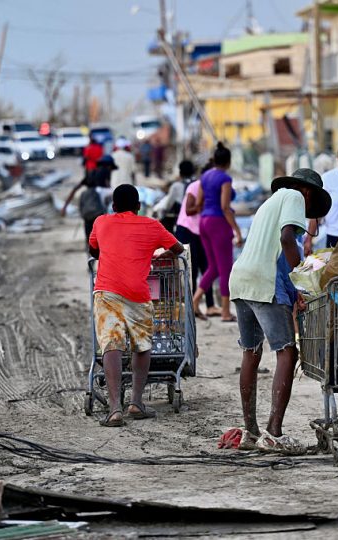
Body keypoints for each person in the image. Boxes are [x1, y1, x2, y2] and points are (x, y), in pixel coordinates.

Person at [229, 168, 332, 453]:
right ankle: (274, 432)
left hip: (241, 279)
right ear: (309, 192)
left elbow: (275, 245)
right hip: (264, 283)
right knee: (288, 351)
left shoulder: (270, 202)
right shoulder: (296, 198)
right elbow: (287, 240)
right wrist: (301, 279)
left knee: (251, 352)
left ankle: (250, 431)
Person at [89, 184, 184, 427]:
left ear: (113, 206)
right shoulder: (152, 225)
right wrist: (160, 255)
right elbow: (178, 248)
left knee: (111, 344)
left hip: (107, 291)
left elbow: (94, 250)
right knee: (142, 346)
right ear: (139, 206)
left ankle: (113, 410)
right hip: (138, 295)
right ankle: (136, 403)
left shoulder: (101, 222)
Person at [192, 142, 243, 322]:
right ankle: (225, 312)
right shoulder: (225, 179)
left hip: (204, 221)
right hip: (218, 223)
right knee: (225, 269)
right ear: (228, 162)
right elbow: (225, 207)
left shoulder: (204, 176)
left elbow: (198, 203)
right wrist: (237, 231)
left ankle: (194, 300)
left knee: (213, 267)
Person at [176, 161, 219, 318]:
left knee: (207, 267)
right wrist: (203, 204)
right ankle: (192, 307)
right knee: (192, 270)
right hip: (187, 230)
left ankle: (210, 305)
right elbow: (189, 210)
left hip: (202, 231)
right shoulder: (195, 187)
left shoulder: (215, 189)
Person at [61, 155, 117, 247]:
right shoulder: (106, 171)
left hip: (88, 207)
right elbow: (108, 188)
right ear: (109, 166)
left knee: (89, 233)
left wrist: (65, 207)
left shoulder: (90, 174)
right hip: (100, 208)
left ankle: (90, 253)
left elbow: (75, 189)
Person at [154, 159, 193, 233]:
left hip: (181, 220)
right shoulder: (197, 184)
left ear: (180, 172)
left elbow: (168, 205)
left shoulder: (176, 186)